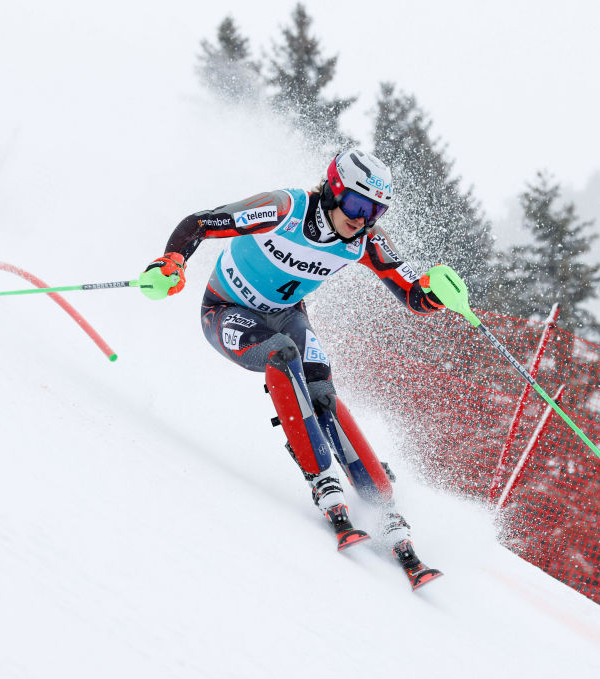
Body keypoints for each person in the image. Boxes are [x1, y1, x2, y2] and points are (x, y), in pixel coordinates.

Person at [140, 149, 464, 590]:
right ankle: (321, 478)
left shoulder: (365, 239)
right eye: (355, 205)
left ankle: (382, 504)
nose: (362, 218)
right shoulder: (286, 208)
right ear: (333, 190)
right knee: (282, 355)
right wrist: (173, 261)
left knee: (322, 390)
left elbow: (412, 295)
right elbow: (202, 221)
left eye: (374, 210)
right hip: (225, 311)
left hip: (287, 313)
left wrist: (436, 291)